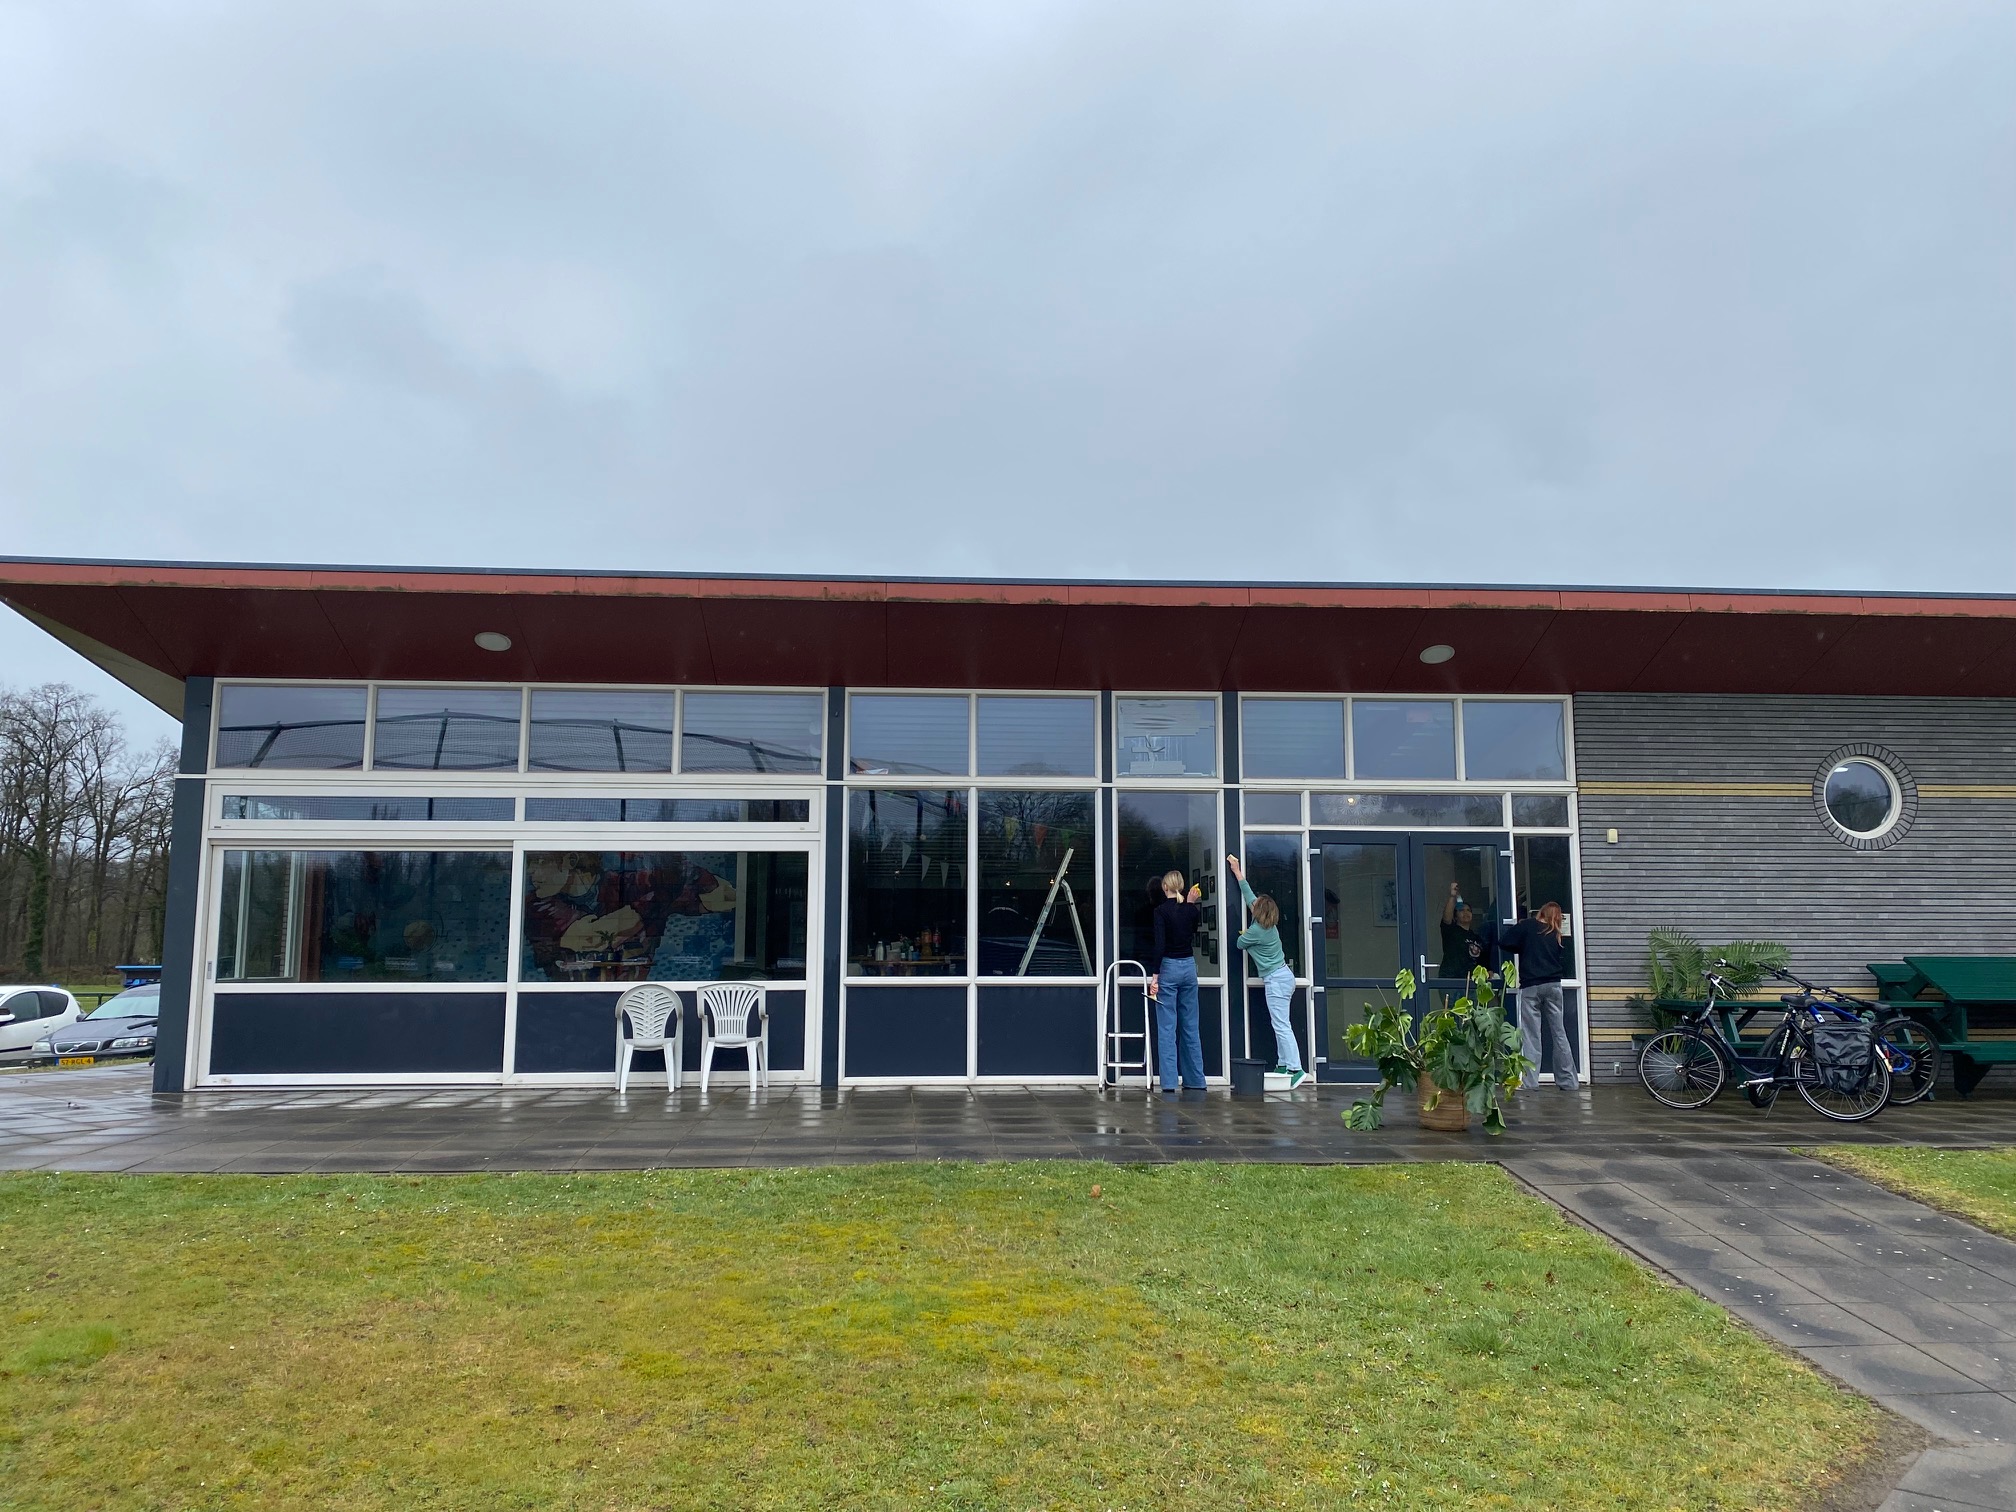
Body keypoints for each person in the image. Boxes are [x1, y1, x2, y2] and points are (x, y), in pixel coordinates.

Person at [1228, 855, 1306, 1088]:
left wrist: (1244, 935)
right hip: (1283, 976)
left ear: (1259, 911)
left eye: (1256, 904)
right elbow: (1249, 895)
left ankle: (1296, 1068)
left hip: (1276, 980)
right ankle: (1283, 1064)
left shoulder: (1256, 932)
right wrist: (1237, 871)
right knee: (1279, 1023)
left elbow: (1239, 944)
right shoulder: (1268, 925)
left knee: (1282, 1025)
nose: (1253, 904)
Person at [1499, 902, 1577, 1092]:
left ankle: (1531, 1083)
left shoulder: (1528, 926)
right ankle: (1569, 1082)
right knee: (1559, 1033)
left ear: (1540, 912)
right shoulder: (1556, 934)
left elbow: (1505, 942)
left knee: (1532, 1035)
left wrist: (1521, 939)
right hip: (1553, 986)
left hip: (1531, 986)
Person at [1146, 870, 1207, 1093]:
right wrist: (1191, 904)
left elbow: (1160, 945)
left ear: (1165, 887)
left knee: (1167, 1028)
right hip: (1189, 967)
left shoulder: (1161, 911)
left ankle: (1170, 1082)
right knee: (1191, 1026)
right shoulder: (1191, 910)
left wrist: (1155, 975)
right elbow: (1192, 930)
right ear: (1181, 886)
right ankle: (1196, 1080)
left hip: (1169, 967)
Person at [1439, 882, 1490, 980]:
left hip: (1471, 982)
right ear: (1455, 916)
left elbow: (1484, 964)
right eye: (1461, 910)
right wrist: (1452, 896)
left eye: (1468, 910)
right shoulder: (1451, 931)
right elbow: (1447, 918)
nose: (1466, 913)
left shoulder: (1477, 939)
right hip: (1451, 981)